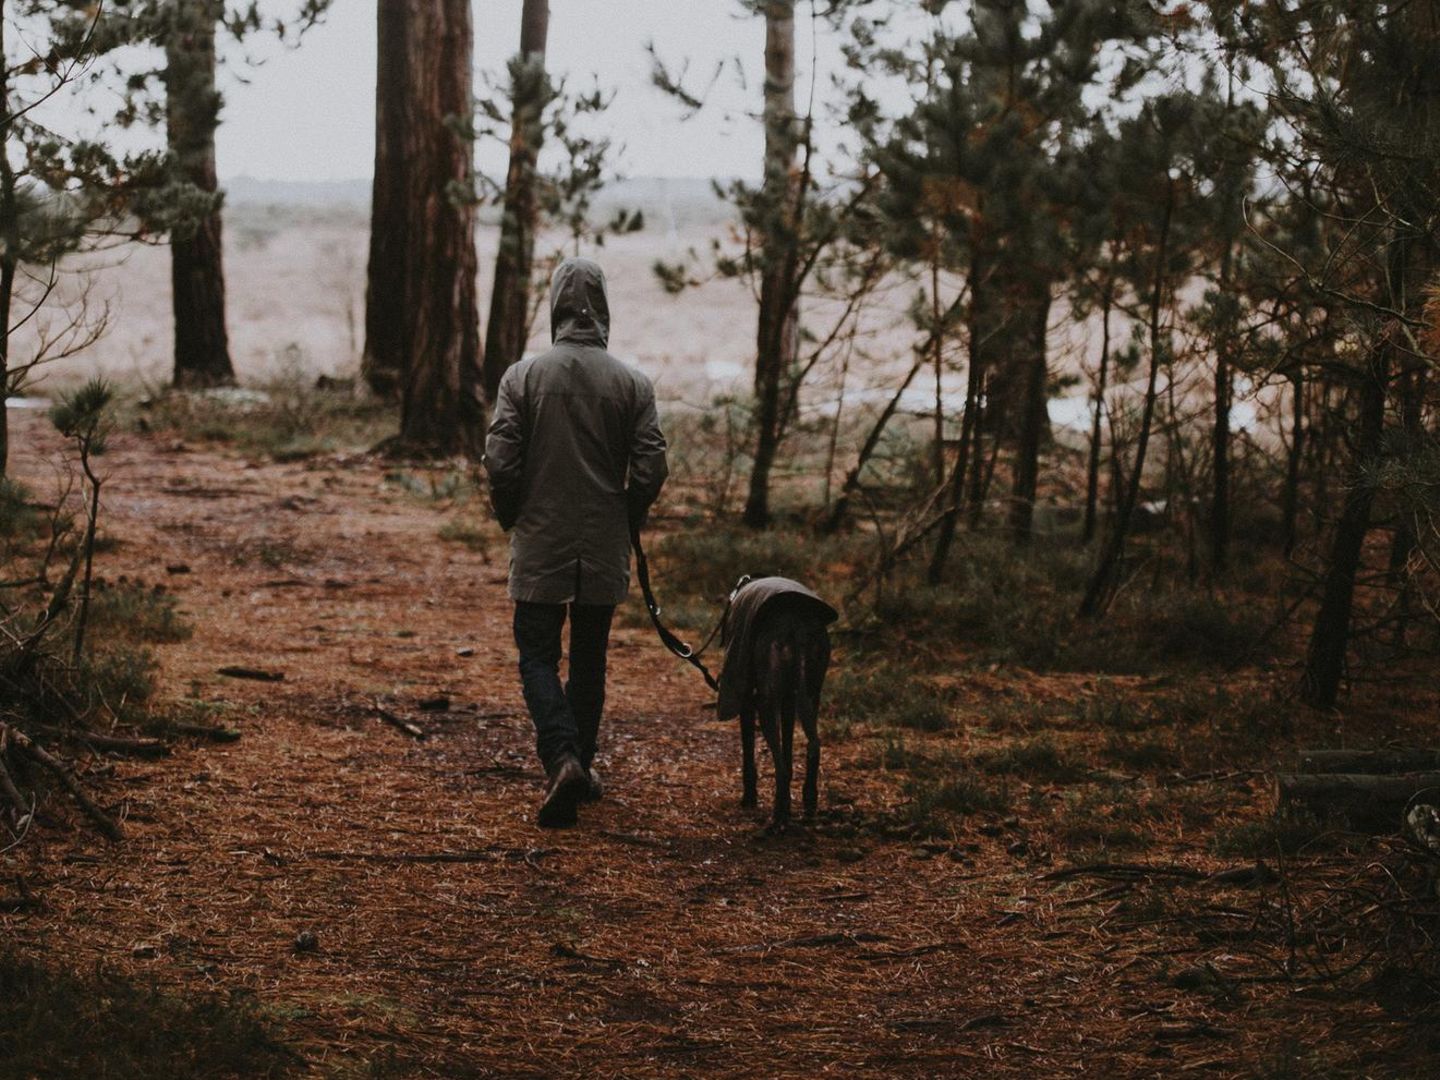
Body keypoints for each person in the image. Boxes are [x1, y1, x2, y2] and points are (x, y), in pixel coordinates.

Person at [483, 257, 669, 828]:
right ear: (603, 310)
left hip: (541, 540)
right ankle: (577, 766)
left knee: (537, 655)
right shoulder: (632, 383)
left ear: (555, 309)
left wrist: (512, 514)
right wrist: (627, 513)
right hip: (603, 546)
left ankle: (562, 758)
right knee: (590, 660)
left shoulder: (523, 377)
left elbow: (500, 459)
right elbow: (652, 464)